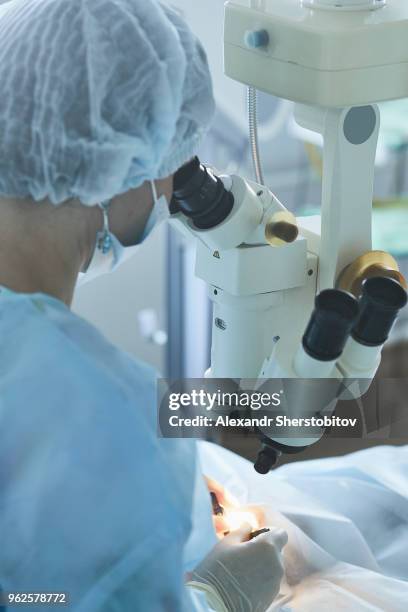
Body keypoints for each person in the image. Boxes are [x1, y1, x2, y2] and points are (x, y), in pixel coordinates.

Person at [0, 0, 287, 610]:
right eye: (171, 164)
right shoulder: (101, 416)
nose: (170, 189)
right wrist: (217, 596)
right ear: (121, 164)